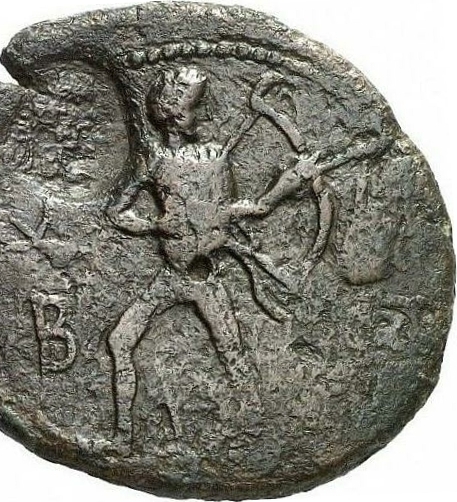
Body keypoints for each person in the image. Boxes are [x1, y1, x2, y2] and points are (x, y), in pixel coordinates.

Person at [106, 66, 325, 449]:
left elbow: (253, 208)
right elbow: (116, 213)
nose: (204, 114)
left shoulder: (215, 159)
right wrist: (156, 225)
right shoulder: (153, 161)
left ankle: (257, 433)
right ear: (175, 114)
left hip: (204, 280)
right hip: (168, 278)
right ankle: (123, 438)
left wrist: (293, 179)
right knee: (119, 341)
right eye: (196, 107)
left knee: (234, 354)